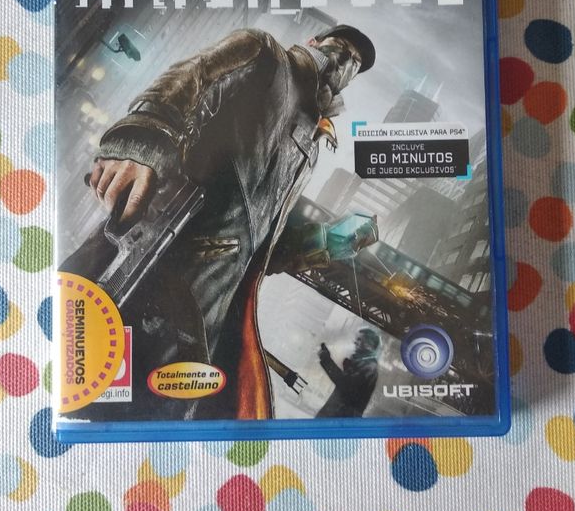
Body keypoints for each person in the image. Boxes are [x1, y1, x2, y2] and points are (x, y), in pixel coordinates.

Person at [62, 24, 375, 420]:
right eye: (341, 48)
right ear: (315, 41)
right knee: (84, 389)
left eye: (355, 64)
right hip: (149, 263)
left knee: (154, 421)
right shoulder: (266, 55)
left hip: (206, 321)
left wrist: (324, 242)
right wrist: (141, 142)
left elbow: (257, 247)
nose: (346, 64)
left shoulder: (311, 148)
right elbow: (192, 77)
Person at [316, 328, 381, 418]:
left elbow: (345, 385)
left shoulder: (369, 367)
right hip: (336, 415)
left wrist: (326, 360)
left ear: (369, 344)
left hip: (340, 417)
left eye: (359, 339)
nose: (355, 342)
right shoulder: (364, 363)